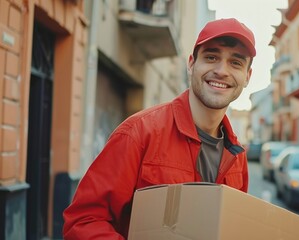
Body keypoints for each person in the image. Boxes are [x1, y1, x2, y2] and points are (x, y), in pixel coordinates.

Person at [62, 18, 256, 239]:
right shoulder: (138, 132)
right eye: (211, 57)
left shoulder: (237, 156)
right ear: (191, 64)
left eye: (236, 63)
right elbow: (83, 222)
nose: (222, 71)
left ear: (247, 76)